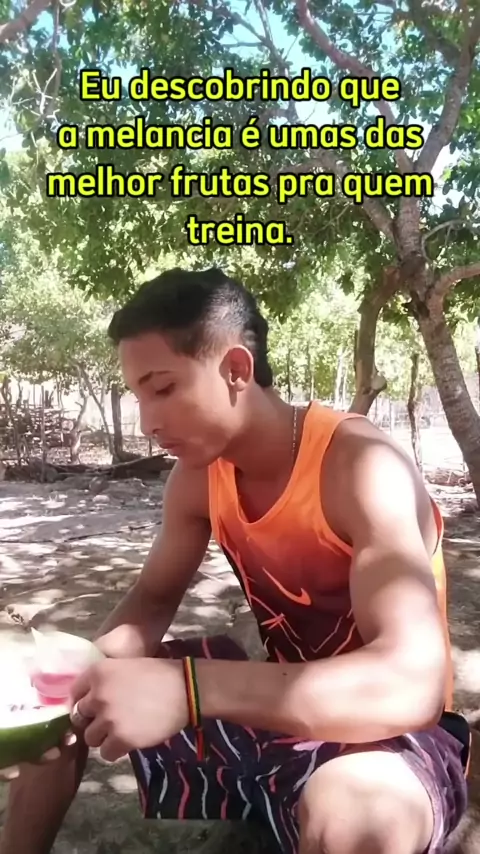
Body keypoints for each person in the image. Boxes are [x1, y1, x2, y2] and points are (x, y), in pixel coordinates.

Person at [0, 267, 470, 854]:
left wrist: (191, 690)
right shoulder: (197, 478)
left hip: (389, 731)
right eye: (138, 396)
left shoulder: (362, 466)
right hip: (274, 709)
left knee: (353, 812)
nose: (148, 422)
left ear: (236, 370)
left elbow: (410, 684)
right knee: (63, 703)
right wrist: (73, 683)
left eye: (162, 389)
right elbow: (152, 599)